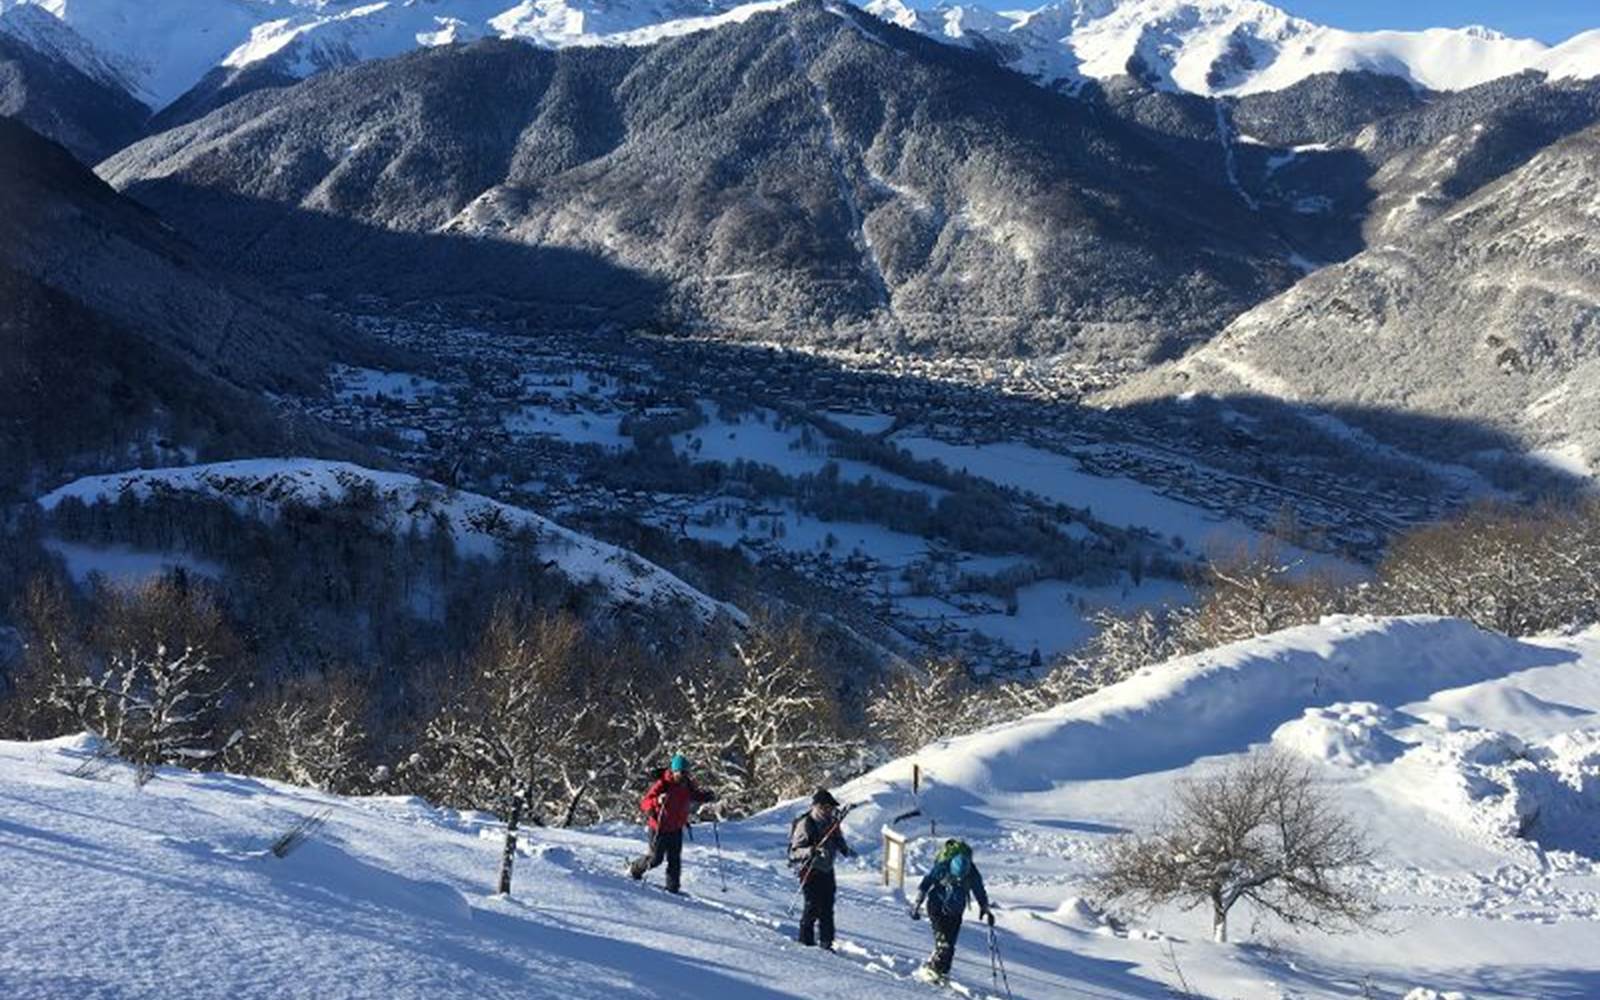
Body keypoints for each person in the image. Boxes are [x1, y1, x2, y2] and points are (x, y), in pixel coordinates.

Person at [628, 753, 716, 893]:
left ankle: (673, 888)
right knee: (655, 859)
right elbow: (645, 802)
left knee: (675, 860)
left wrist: (706, 797)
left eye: (685, 772)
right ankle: (635, 869)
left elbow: (694, 795)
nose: (682, 775)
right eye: (679, 772)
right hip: (659, 828)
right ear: (673, 771)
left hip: (676, 828)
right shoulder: (663, 784)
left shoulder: (687, 784)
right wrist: (656, 802)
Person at [910, 838, 993, 981]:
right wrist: (917, 903)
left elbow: (979, 890)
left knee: (950, 944)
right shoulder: (942, 867)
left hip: (956, 911)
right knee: (944, 943)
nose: (960, 879)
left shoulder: (972, 872)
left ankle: (943, 971)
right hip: (937, 906)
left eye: (962, 877)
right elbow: (926, 883)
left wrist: (985, 908)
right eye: (957, 876)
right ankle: (932, 971)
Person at [788, 788, 853, 950]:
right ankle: (806, 942)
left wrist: (844, 849)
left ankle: (826, 942)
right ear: (817, 806)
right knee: (812, 906)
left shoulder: (831, 823)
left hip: (827, 869)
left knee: (827, 908)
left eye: (831, 808)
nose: (829, 810)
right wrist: (811, 850)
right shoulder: (806, 824)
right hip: (810, 869)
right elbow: (794, 851)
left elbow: (838, 838)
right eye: (826, 807)